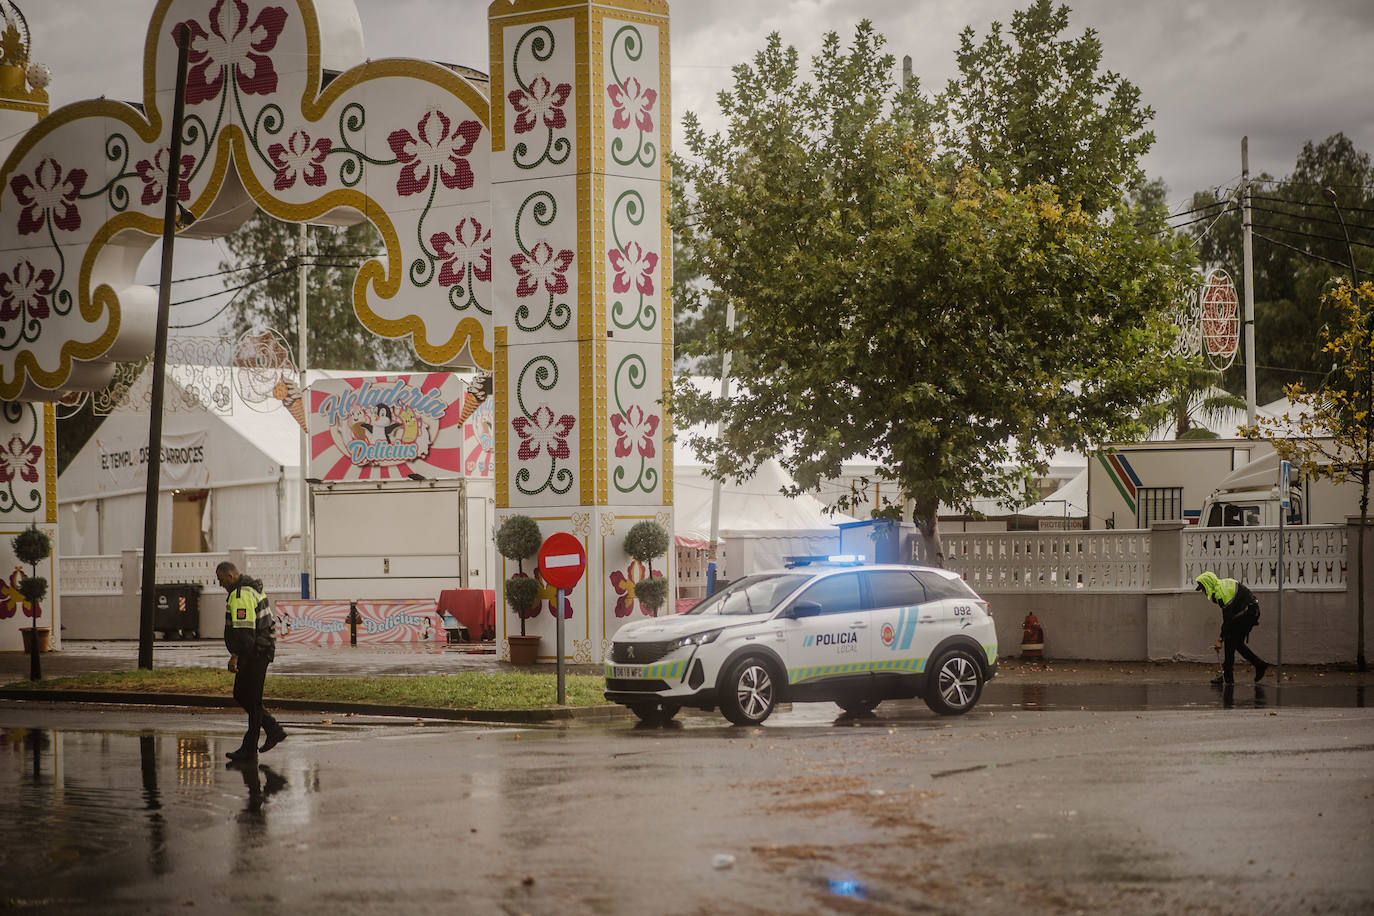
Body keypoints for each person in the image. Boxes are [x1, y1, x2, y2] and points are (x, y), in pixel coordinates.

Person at [217, 561, 287, 761]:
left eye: (221, 579)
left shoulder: (241, 595)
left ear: (231, 577)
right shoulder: (251, 590)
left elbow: (245, 632)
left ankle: (260, 740)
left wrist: (236, 656)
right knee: (248, 698)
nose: (220, 584)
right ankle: (270, 732)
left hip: (256, 652)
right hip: (261, 650)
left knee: (247, 697)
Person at [1196, 570, 1269, 685]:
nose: (1204, 592)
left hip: (1248, 613)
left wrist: (1220, 639)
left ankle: (1229, 677)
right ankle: (1259, 665)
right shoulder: (1221, 585)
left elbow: (1228, 620)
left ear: (1208, 584)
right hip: (1249, 611)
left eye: (1203, 588)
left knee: (1230, 640)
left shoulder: (1221, 594)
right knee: (1237, 643)